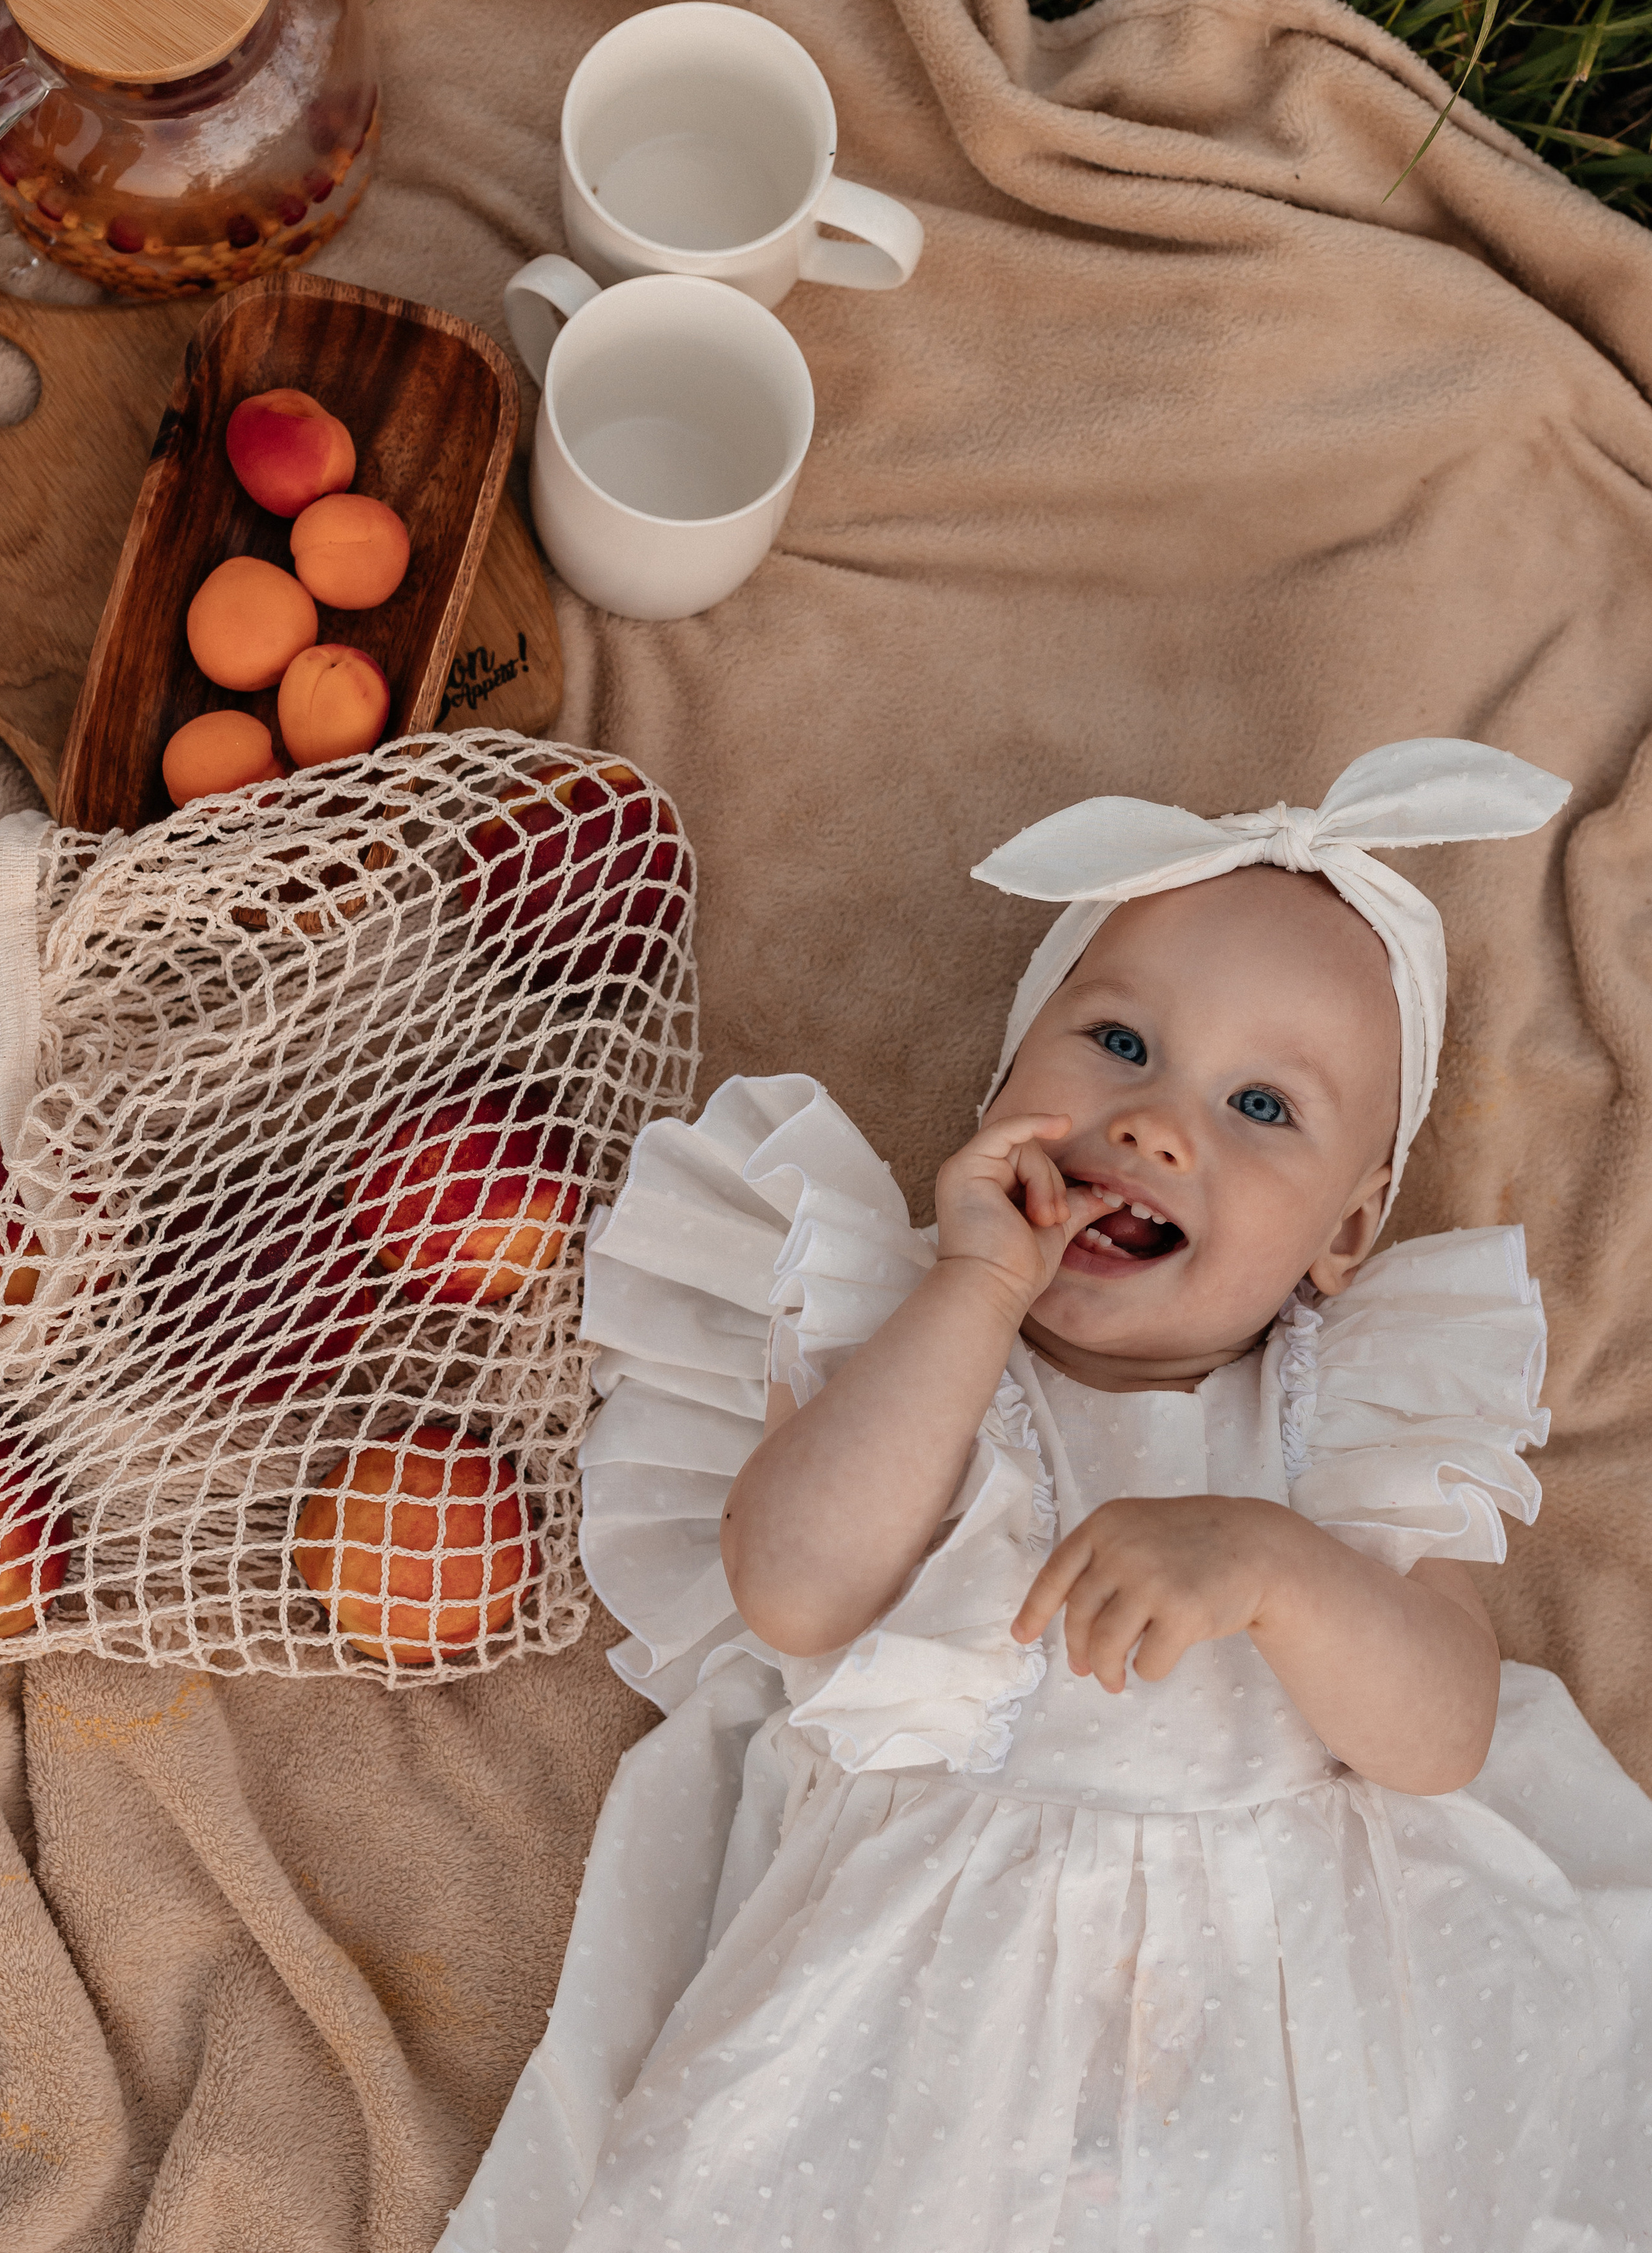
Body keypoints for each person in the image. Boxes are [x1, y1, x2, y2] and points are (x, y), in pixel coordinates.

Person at [438, 739, 1652, 2253]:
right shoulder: (910, 1353)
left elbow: (1438, 1735)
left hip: (1287, 2041)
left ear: (1340, 1238)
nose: (1156, 1126)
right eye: (1117, 1046)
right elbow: (793, 1591)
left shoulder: (1345, 1427)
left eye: (1262, 1107)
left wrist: (1274, 1566)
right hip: (920, 2033)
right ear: (1001, 1093)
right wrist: (966, 1289)